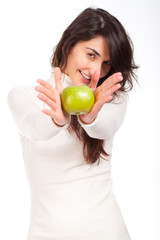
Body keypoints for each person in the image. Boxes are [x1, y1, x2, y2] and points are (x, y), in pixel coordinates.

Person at [7, 7, 138, 240]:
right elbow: (33, 127)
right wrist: (56, 121)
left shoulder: (108, 97)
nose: (96, 70)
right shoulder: (23, 96)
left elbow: (106, 126)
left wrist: (89, 117)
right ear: (68, 46)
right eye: (91, 55)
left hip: (109, 232)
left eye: (106, 63)